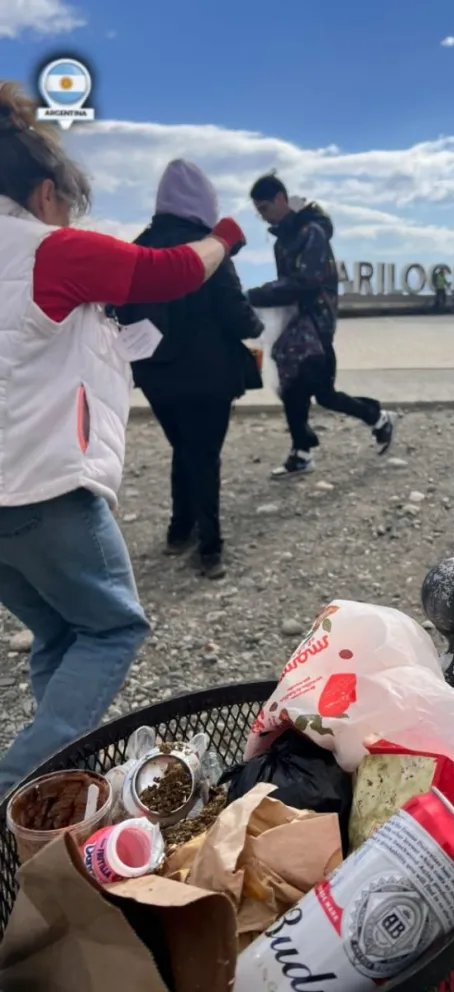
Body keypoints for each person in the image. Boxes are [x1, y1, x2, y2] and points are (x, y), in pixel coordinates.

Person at [0, 81, 247, 796]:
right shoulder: (47, 250)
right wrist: (225, 237)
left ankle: (63, 780)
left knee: (61, 635)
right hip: (44, 486)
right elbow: (167, 272)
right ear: (46, 192)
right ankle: (23, 786)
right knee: (113, 628)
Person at [114, 160, 263, 580]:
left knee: (183, 447)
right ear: (204, 203)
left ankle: (179, 530)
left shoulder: (137, 246)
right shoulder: (207, 248)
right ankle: (210, 548)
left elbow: (119, 310)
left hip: (156, 377)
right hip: (209, 376)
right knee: (205, 455)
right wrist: (257, 325)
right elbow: (237, 316)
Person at [247, 175, 394, 479]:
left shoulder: (310, 232)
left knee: (322, 393)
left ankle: (377, 416)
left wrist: (257, 294)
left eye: (264, 208)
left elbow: (306, 282)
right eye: (257, 211)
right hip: (294, 326)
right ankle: (301, 452)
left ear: (280, 199)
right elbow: (289, 287)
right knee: (292, 388)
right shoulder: (284, 240)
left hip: (317, 324)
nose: (262, 216)